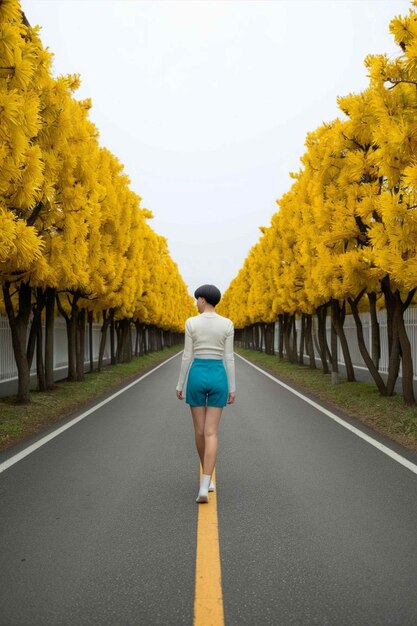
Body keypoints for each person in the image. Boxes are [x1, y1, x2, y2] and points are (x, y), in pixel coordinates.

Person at [176, 284, 236, 503]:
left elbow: (186, 355)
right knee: (212, 433)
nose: (195, 303)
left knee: (200, 432)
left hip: (197, 374)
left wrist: (180, 383)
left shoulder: (191, 322)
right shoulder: (227, 324)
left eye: (196, 300)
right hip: (218, 375)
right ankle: (205, 483)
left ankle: (206, 480)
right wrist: (232, 387)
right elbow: (229, 357)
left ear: (202, 299)